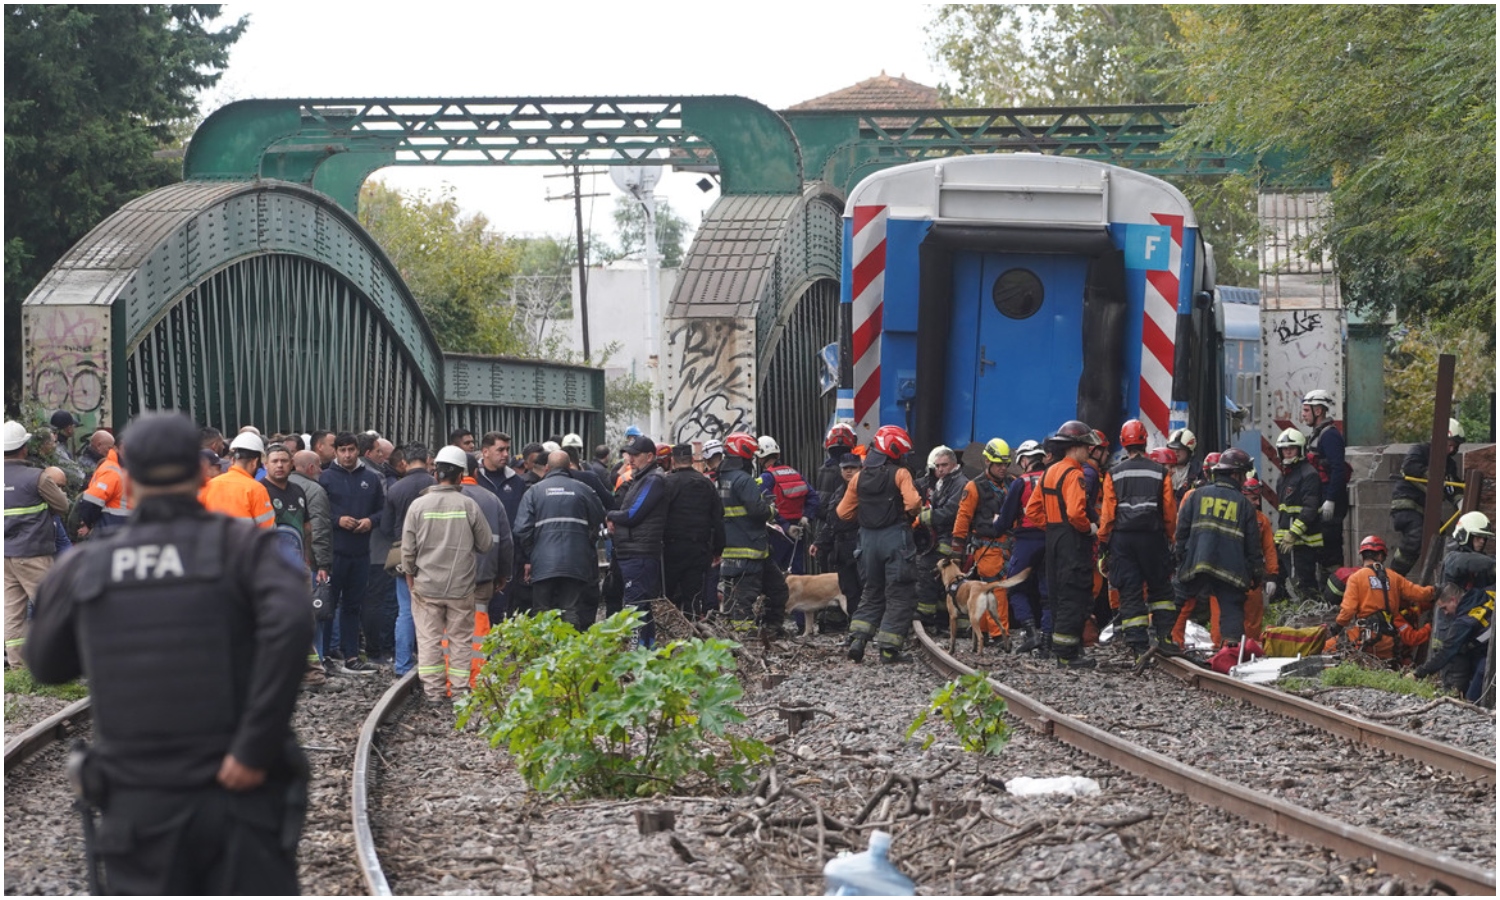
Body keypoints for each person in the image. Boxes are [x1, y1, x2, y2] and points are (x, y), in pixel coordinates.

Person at [29, 411, 311, 894]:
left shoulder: (87, 567)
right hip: (238, 790)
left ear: (130, 477)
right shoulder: (245, 549)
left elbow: (47, 663)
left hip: (141, 797)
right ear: (203, 470)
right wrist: (252, 749)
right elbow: (292, 627)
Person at [400, 446, 493, 703]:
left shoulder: (418, 506)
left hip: (426, 586)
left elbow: (407, 550)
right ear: (461, 475)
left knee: (429, 639)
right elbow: (485, 545)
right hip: (461, 586)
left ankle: (433, 692)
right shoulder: (469, 505)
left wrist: (410, 576)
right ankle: (460, 691)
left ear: (435, 471)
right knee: (460, 640)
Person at [838, 424, 924, 665]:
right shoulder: (900, 474)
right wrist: (906, 516)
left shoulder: (858, 477)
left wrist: (866, 516)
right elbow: (914, 503)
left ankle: (858, 640)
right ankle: (888, 650)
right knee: (899, 593)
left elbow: (843, 512)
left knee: (872, 590)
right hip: (895, 539)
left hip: (867, 541)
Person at [1098, 419, 1180, 659]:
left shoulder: (1113, 474)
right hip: (1153, 538)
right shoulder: (1160, 472)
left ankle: (1137, 645)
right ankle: (1164, 638)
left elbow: (1108, 513)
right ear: (1145, 441)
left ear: (1123, 443)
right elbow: (1168, 511)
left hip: (1123, 540)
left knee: (1130, 591)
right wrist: (1170, 537)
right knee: (1161, 590)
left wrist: (1104, 542)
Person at [1027, 421, 1104, 668]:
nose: (1089, 452)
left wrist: (1051, 525)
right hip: (1072, 540)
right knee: (1074, 593)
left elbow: (1032, 509)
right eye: (1086, 447)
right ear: (1076, 447)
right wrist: (1089, 528)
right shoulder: (1075, 474)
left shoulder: (1049, 471)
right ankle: (1066, 654)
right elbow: (1075, 513)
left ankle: (1064, 648)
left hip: (1053, 539)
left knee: (1058, 593)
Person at [1174, 448, 1265, 652]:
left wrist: (1180, 558)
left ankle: (1164, 639)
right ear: (1235, 475)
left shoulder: (1197, 496)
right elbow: (1253, 545)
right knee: (1231, 606)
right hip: (1230, 569)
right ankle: (1231, 650)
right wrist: (1256, 573)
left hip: (1197, 562)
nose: (1243, 480)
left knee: (1179, 598)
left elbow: (1182, 531)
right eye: (1242, 475)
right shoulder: (1244, 505)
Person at [514, 450, 605, 631]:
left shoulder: (534, 492)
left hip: (543, 563)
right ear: (569, 466)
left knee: (541, 611)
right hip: (576, 561)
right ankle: (570, 653)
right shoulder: (583, 489)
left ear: (547, 467)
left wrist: (533, 553)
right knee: (571, 610)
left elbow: (521, 528)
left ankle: (544, 653)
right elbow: (599, 516)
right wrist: (586, 543)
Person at [4, 420, 71, 668]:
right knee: (51, 608)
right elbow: (62, 506)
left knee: (12, 613)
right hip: (33, 553)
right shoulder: (37, 478)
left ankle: (18, 667)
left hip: (6, 556)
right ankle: (57, 663)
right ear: (23, 447)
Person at [319, 432, 384, 675]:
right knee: (328, 605)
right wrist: (338, 520)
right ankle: (324, 655)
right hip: (335, 553)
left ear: (358, 451)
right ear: (335, 452)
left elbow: (382, 511)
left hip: (360, 552)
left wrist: (370, 521)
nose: (347, 455)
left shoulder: (372, 478)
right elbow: (319, 514)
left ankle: (351, 655)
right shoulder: (325, 479)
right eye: (342, 450)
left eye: (351, 450)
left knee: (353, 606)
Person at [718, 432, 792, 639]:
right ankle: (745, 639)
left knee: (775, 589)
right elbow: (758, 511)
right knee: (744, 599)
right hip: (750, 550)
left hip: (738, 549)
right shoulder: (743, 480)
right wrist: (772, 509)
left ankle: (770, 630)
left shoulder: (723, 479)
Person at [1415, 512, 1497, 697]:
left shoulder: (1483, 565)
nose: (1482, 542)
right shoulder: (1453, 558)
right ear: (1464, 536)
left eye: (1484, 539)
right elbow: (1470, 562)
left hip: (1473, 634)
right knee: (1456, 686)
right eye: (1477, 538)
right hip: (1454, 635)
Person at [1324, 536, 1436, 661]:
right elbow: (1420, 594)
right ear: (1381, 557)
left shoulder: (1356, 578)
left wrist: (1337, 626)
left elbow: (1348, 610)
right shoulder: (1394, 577)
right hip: (1390, 640)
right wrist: (1435, 590)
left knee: (1326, 648)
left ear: (1362, 556)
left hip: (1365, 636)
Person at [606, 434, 670, 647]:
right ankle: (646, 649)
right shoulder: (639, 478)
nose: (630, 459)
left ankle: (638, 651)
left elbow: (633, 514)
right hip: (633, 551)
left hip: (640, 552)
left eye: (635, 455)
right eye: (628, 455)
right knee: (640, 604)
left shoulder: (653, 479)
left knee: (636, 605)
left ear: (650, 456)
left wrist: (610, 516)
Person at [380, 444, 436, 677]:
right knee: (434, 610)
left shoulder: (395, 489)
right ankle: (431, 661)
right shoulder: (436, 487)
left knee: (405, 610)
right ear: (427, 459)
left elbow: (385, 527)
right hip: (435, 555)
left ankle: (402, 664)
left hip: (404, 556)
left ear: (404, 462)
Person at [460, 451, 512, 687]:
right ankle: (477, 677)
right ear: (475, 471)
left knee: (448, 625)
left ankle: (450, 676)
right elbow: (505, 541)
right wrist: (503, 574)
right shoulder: (491, 499)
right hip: (483, 575)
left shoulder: (439, 498)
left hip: (447, 578)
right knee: (480, 624)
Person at [1389, 418, 1465, 576]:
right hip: (1407, 504)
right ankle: (1393, 577)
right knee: (1416, 536)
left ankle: (1435, 579)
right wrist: (1435, 475)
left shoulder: (1449, 465)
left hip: (1426, 510)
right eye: (1449, 444)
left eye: (1455, 446)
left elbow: (1452, 487)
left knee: (1439, 539)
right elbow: (1410, 466)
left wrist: (1460, 501)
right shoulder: (1421, 450)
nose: (1451, 450)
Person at [948, 439, 1008, 630]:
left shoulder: (1011, 484)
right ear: (988, 462)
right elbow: (963, 518)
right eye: (999, 464)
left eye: (1005, 464)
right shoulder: (974, 487)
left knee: (990, 589)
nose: (1003, 468)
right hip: (987, 547)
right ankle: (998, 632)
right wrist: (956, 552)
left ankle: (983, 629)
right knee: (994, 587)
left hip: (1008, 546)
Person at [995, 440, 1048, 653]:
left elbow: (1005, 520)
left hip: (1026, 541)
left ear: (1025, 460)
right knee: (1048, 592)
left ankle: (1030, 633)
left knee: (1015, 586)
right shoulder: (1053, 477)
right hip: (1051, 540)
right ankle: (1048, 639)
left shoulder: (1020, 482)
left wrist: (995, 525)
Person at [662, 443, 725, 619]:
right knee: (693, 596)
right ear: (691, 459)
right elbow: (718, 518)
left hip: (671, 549)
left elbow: (658, 515)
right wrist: (718, 549)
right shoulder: (706, 483)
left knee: (668, 595)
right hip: (698, 549)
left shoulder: (667, 484)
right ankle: (691, 634)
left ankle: (669, 632)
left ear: (673, 461)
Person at [1300, 389, 1350, 578]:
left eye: (1306, 410)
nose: (1303, 414)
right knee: (1322, 550)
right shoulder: (1318, 434)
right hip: (1321, 499)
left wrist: (1331, 500)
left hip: (1330, 503)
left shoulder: (1329, 436)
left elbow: (1338, 469)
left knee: (1330, 550)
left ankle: (1337, 592)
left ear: (1318, 411)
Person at [811, 453, 864, 627]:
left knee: (866, 590)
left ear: (860, 469)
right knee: (850, 591)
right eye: (845, 468)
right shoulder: (839, 492)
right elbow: (832, 522)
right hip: (842, 551)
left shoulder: (866, 490)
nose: (848, 471)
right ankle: (856, 630)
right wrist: (819, 543)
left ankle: (866, 629)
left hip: (860, 548)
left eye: (853, 468)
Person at [755, 435, 818, 576]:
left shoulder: (766, 477)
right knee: (796, 572)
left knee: (774, 573)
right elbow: (813, 497)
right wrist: (806, 516)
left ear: (761, 458)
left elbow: (761, 504)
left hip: (777, 530)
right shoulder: (795, 473)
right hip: (798, 530)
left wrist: (785, 526)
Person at [1273, 427, 1324, 601]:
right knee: (1275, 581)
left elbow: (1310, 509)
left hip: (1302, 543)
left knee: (1304, 585)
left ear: (1300, 450)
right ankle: (1285, 616)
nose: (1287, 452)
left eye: (1291, 448)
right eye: (1284, 449)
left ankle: (1313, 617)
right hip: (1285, 542)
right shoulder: (1284, 476)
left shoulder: (1308, 475)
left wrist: (1293, 533)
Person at [199, 432, 275, 528]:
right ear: (255, 462)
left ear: (233, 460)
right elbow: (267, 530)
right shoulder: (256, 489)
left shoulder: (210, 485)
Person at [77, 428, 130, 537]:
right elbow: (92, 500)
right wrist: (88, 523)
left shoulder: (123, 469)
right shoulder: (112, 470)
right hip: (112, 530)